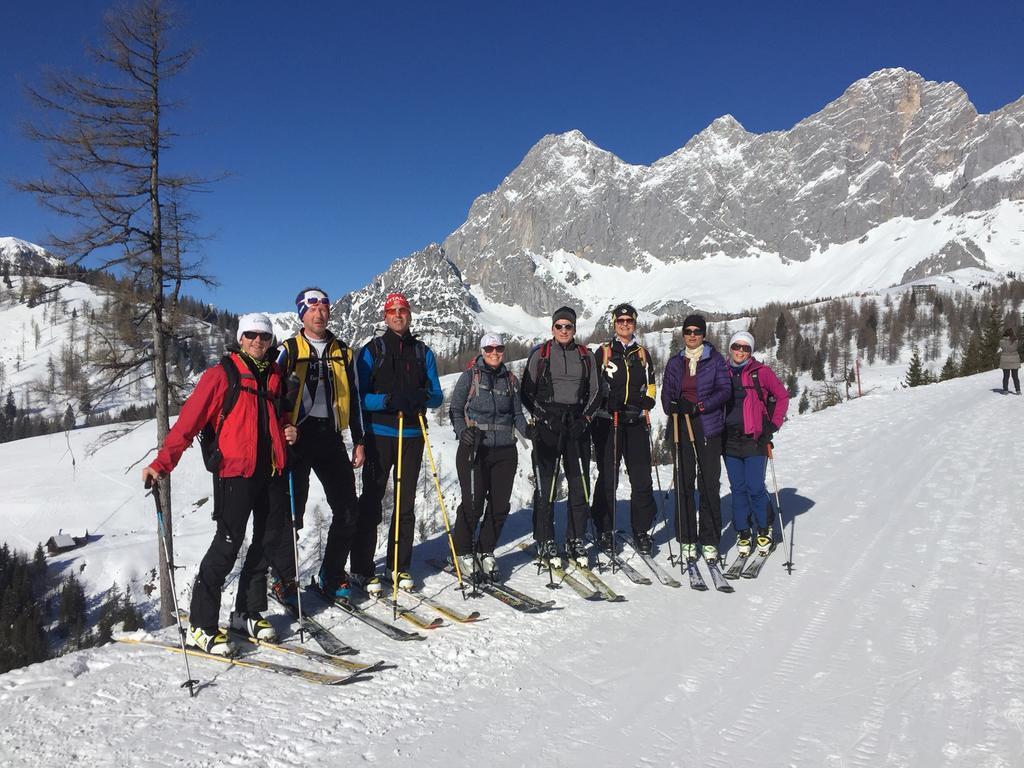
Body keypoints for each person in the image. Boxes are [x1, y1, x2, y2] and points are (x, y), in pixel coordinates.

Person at [141, 313, 298, 656]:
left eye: (265, 337)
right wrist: (161, 463)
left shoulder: (274, 375)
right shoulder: (221, 375)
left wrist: (288, 428)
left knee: (268, 540)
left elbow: (280, 415)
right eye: (252, 335)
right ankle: (202, 625)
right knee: (228, 544)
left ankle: (246, 611)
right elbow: (187, 423)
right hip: (234, 474)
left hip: (270, 471)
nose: (258, 341)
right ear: (241, 338)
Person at [350, 292, 443, 594]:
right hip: (380, 436)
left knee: (405, 505)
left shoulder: (422, 352)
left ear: (410, 314)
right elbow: (359, 397)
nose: (398, 315)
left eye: (403, 310)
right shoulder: (372, 350)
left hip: (413, 435)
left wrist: (420, 396)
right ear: (384, 316)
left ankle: (398, 566)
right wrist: (389, 399)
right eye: (393, 311)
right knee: (372, 503)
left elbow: (438, 395)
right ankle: (362, 569)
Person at [275, 287, 365, 600]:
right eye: (312, 308)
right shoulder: (288, 349)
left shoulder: (344, 351)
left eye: (324, 307)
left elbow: (354, 399)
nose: (319, 313)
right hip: (296, 438)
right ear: (302, 313)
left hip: (330, 436)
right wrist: (283, 428)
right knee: (290, 514)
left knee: (348, 510)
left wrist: (359, 440)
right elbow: (273, 397)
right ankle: (285, 579)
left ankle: (331, 573)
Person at [521, 306, 601, 568]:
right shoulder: (540, 355)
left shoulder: (586, 356)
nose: (564, 330)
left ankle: (575, 538)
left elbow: (596, 393)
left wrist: (585, 419)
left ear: (575, 329)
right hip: (548, 425)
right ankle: (545, 538)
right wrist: (545, 418)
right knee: (547, 486)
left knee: (579, 485)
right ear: (552, 329)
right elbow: (526, 393)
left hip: (576, 425)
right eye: (559, 326)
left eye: (568, 326)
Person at [448, 332, 529, 582]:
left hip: (505, 450)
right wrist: (463, 433)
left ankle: (486, 551)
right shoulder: (470, 376)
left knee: (499, 505)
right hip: (475, 448)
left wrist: (530, 431)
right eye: (490, 348)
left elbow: (517, 414)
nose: (495, 352)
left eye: (499, 348)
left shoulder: (510, 379)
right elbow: (455, 409)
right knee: (473, 504)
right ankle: (462, 552)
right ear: (482, 351)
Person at [660, 314, 731, 564]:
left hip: (707, 426)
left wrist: (699, 406)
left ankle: (710, 540)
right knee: (684, 483)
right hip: (681, 424)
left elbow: (725, 391)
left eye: (697, 331)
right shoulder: (675, 363)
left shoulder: (714, 359)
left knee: (709, 483)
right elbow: (666, 394)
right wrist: (674, 406)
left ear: (703, 334)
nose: (692, 335)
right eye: (688, 331)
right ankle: (687, 538)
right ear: (683, 334)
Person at [589, 303, 659, 555]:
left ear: (635, 323)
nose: (625, 324)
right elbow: (593, 387)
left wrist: (648, 401)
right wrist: (608, 402)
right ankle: (604, 528)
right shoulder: (604, 352)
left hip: (635, 422)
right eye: (621, 321)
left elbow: (651, 383)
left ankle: (640, 530)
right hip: (609, 422)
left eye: (629, 321)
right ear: (614, 323)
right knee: (609, 477)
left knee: (641, 478)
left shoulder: (642, 353)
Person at [721, 331, 790, 557]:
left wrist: (773, 425)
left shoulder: (761, 372)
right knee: (738, 489)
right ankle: (743, 530)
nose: (740, 351)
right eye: (736, 346)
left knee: (755, 487)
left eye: (745, 348)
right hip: (729, 439)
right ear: (730, 348)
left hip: (755, 438)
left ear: (751, 351)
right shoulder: (721, 371)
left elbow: (782, 396)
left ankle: (764, 527)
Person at [998, 328, 1021, 395]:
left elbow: (1002, 348)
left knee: (1006, 376)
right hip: (1014, 360)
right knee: (1015, 376)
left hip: (1005, 360)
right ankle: (1018, 390)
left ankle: (1005, 390)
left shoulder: (1001, 341)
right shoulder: (1015, 341)